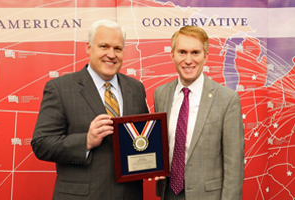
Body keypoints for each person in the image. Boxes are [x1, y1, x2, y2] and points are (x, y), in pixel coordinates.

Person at [31, 19, 148, 200]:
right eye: (104, 46)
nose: (111, 54)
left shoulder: (136, 88)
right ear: (88, 48)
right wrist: (86, 141)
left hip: (129, 194)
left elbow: (143, 138)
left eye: (117, 48)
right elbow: (41, 144)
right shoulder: (60, 88)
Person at [153, 25, 244, 200]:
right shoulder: (161, 93)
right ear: (172, 55)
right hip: (169, 193)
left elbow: (234, 166)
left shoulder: (228, 99)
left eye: (195, 53)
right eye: (182, 52)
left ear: (206, 56)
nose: (188, 60)